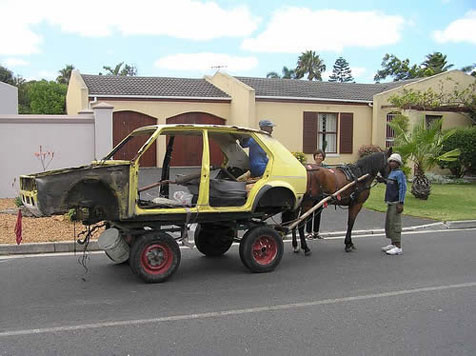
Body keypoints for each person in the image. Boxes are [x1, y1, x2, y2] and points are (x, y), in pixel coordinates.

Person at [380, 153, 407, 255]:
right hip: (390, 202)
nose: (391, 163)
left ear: (398, 163)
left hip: (396, 202)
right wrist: (383, 181)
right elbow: (390, 183)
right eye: (390, 161)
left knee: (395, 224)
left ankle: (398, 247)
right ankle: (393, 243)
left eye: (394, 161)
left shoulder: (399, 173)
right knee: (389, 224)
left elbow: (402, 188)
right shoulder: (392, 173)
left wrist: (401, 202)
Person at [306, 149, 329, 239]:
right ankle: (308, 232)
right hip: (312, 193)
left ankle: (316, 232)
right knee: (309, 213)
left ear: (323, 158)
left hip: (321, 194)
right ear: (314, 157)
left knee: (318, 213)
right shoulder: (311, 167)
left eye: (320, 156)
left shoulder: (326, 168)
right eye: (317, 155)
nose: (318, 157)